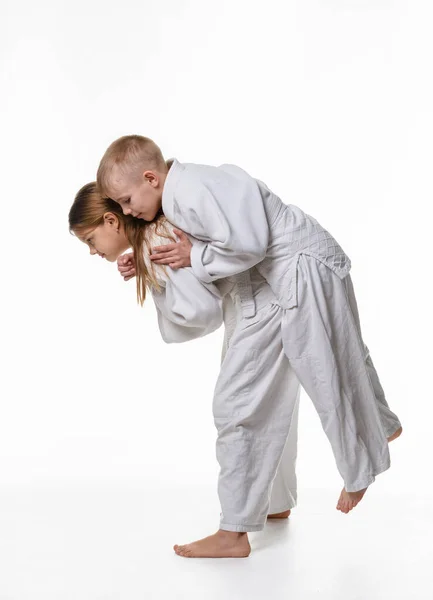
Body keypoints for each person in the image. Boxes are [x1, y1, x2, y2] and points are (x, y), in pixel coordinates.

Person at [94, 134, 402, 558]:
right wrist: (149, 261)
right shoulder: (180, 197)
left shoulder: (192, 188)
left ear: (151, 178)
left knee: (326, 364)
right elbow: (222, 257)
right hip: (274, 282)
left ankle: (361, 462)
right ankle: (265, 506)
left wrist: (192, 258)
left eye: (127, 201)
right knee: (257, 394)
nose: (127, 211)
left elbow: (249, 243)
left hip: (300, 267)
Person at [68, 182, 302, 558]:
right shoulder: (161, 227)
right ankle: (275, 501)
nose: (94, 252)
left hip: (258, 309)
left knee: (237, 410)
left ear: (112, 220)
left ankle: (234, 532)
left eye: (91, 240)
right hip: (268, 297)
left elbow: (199, 314)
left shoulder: (155, 239)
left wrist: (153, 279)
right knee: (272, 404)